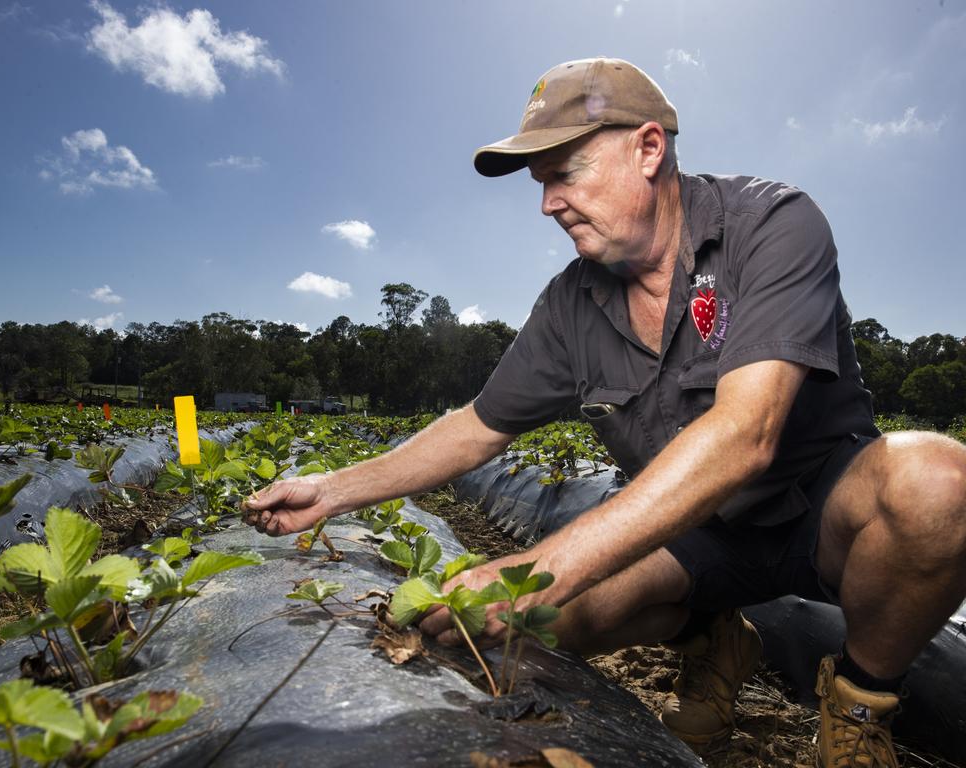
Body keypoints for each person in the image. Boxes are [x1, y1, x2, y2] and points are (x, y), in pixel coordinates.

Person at [243, 58, 966, 766]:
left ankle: (858, 706)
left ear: (648, 149)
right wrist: (332, 489)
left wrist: (542, 563)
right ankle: (716, 643)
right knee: (545, 621)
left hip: (820, 513)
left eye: (565, 173)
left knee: (936, 483)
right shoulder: (571, 305)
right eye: (540, 182)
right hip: (701, 535)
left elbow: (745, 433)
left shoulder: (770, 225)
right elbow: (477, 426)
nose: (548, 203)